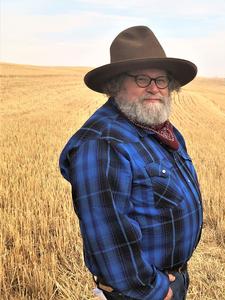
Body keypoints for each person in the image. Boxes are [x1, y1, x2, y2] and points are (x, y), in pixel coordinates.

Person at [59, 26, 203, 300]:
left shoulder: (159, 129)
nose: (154, 88)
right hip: (140, 292)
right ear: (114, 85)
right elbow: (109, 241)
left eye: (161, 80)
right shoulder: (103, 144)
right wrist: (157, 290)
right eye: (141, 79)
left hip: (169, 278)